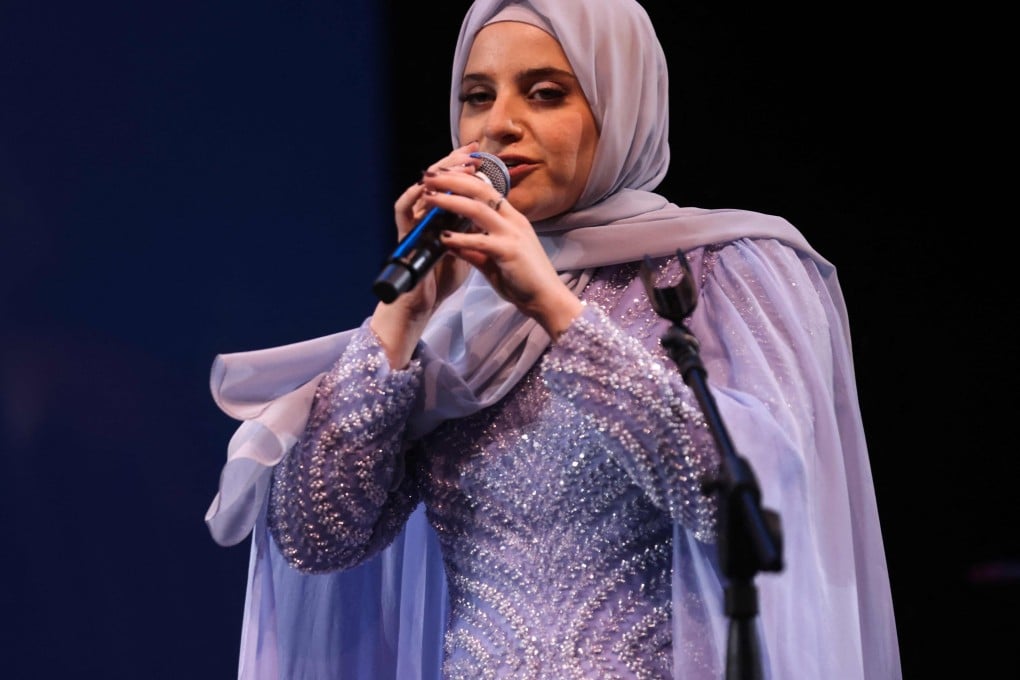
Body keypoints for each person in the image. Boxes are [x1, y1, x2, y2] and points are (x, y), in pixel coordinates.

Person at [204, 0, 902, 678]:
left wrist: (555, 308)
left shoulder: (724, 266)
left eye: (544, 93)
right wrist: (401, 319)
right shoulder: (465, 316)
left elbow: (747, 506)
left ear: (620, 103)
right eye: (478, 96)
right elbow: (317, 535)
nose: (499, 125)